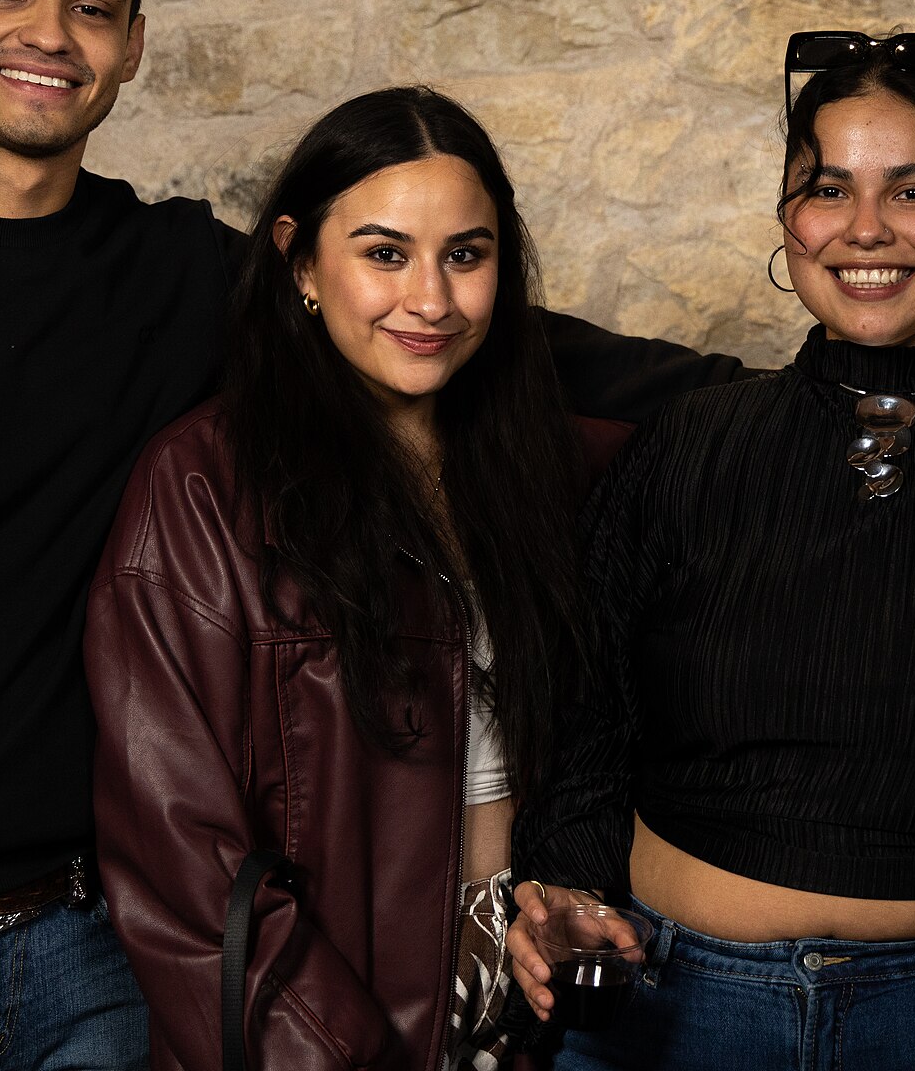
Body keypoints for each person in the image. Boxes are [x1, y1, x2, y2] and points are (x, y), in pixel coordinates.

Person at [0, 0, 737, 1071]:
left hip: (92, 954)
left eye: (92, 5)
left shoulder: (177, 274)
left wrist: (794, 384)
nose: (49, 33)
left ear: (132, 45)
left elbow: (441, 328)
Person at [506, 31, 915, 1070]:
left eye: (913, 191)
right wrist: (565, 891)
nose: (865, 229)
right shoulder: (688, 443)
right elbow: (584, 713)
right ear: (787, 217)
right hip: (674, 1015)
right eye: (828, 189)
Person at [86, 86, 629, 1071]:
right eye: (384, 254)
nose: (431, 300)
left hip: (539, 1007)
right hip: (332, 1016)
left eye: (465, 255)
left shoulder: (557, 468)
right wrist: (335, 1053)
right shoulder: (206, 487)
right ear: (300, 261)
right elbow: (183, 861)